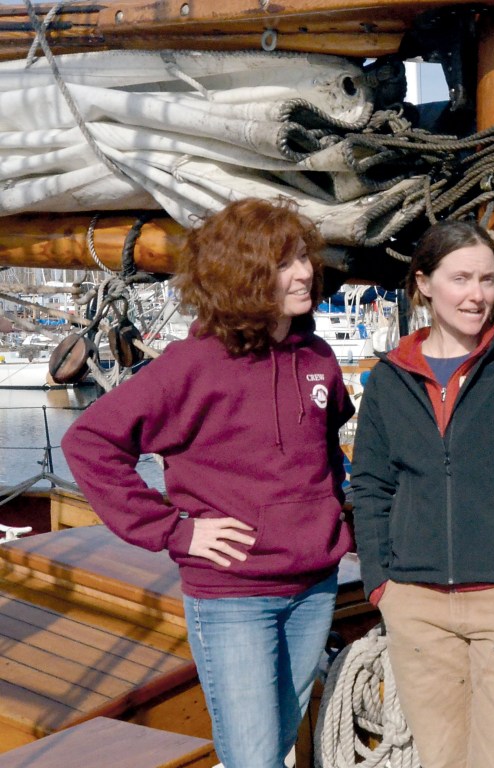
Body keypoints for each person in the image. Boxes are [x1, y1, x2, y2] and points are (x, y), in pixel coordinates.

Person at [62, 198, 355, 768]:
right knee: (253, 757)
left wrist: (329, 514)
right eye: (283, 264)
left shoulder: (318, 358)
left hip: (314, 584)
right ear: (241, 275)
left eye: (303, 258)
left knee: (275, 744)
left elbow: (323, 452)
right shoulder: (191, 365)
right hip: (232, 593)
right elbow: (89, 443)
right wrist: (175, 530)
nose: (303, 273)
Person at [349, 219, 494, 768]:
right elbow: (372, 485)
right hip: (417, 606)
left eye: (487, 280)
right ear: (424, 284)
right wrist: (382, 583)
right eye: (461, 279)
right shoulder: (390, 379)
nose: (476, 295)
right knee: (442, 760)